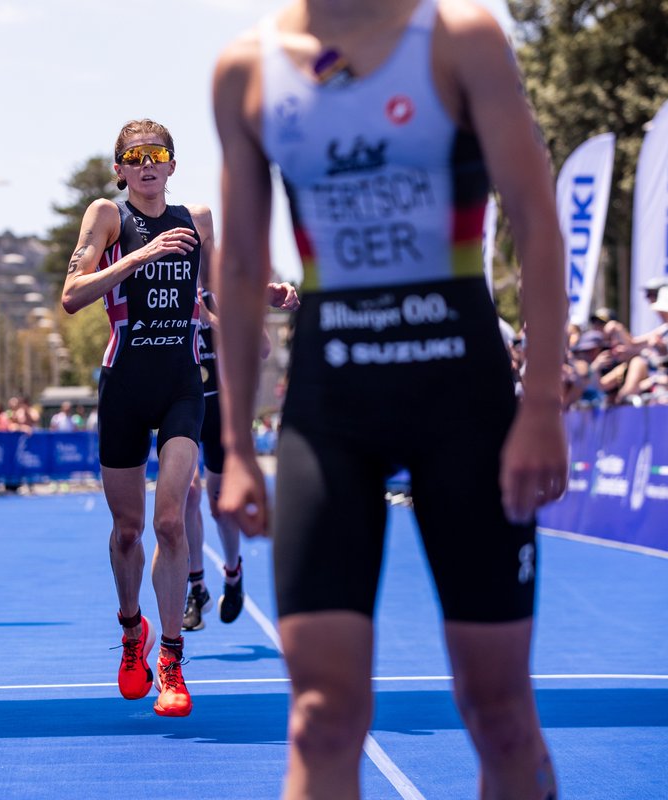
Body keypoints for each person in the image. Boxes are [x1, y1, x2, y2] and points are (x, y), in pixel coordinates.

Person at [212, 1, 567, 797]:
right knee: (321, 716)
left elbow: (536, 217)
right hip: (332, 409)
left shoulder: (460, 36)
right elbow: (238, 273)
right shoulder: (247, 67)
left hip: (465, 400)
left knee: (499, 711)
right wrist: (236, 447)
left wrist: (541, 402)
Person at [60, 118, 213, 717]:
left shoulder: (196, 221)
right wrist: (139, 254)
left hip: (180, 384)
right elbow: (72, 295)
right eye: (135, 156)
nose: (147, 164)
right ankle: (133, 634)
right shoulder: (107, 215)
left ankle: (172, 662)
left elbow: (204, 300)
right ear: (121, 168)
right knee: (128, 531)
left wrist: (260, 306)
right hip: (124, 384)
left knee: (171, 521)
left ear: (173, 165)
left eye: (158, 154)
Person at [183, 280, 299, 632]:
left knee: (220, 506)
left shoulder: (221, 290)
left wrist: (209, 317)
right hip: (183, 403)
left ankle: (233, 574)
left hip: (222, 407)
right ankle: (196, 587)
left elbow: (263, 347)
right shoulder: (172, 283)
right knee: (186, 495)